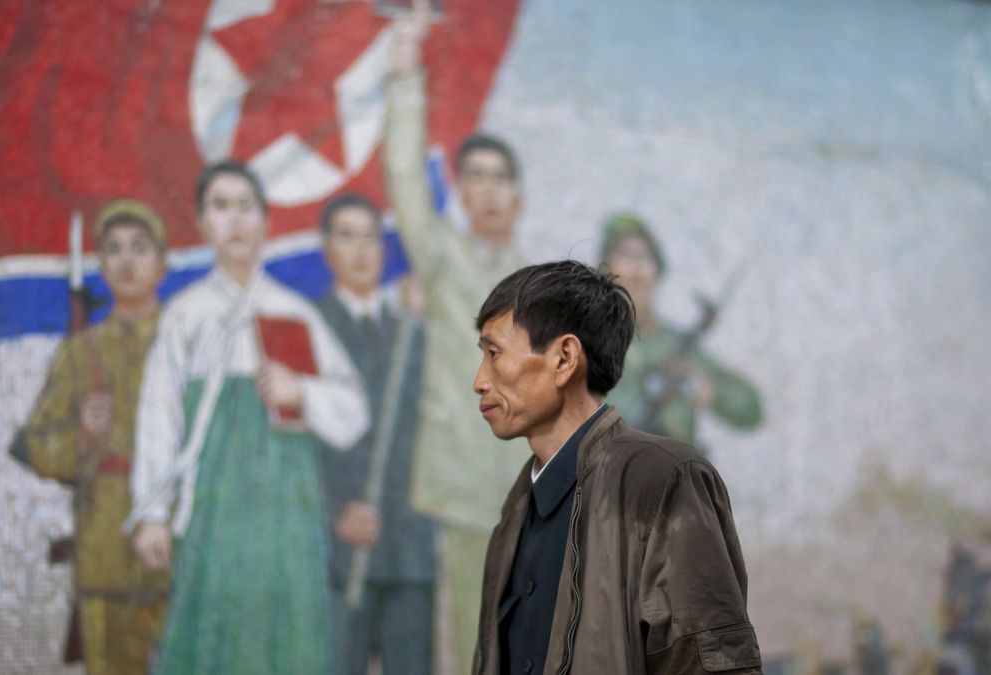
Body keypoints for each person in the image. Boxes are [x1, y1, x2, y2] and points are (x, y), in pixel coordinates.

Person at [127, 160, 369, 674]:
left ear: (265, 221)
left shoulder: (295, 313)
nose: (234, 220)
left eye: (245, 207)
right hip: (216, 512)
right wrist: (151, 513)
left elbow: (353, 413)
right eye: (220, 207)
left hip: (289, 515)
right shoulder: (185, 316)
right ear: (202, 224)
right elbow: (159, 415)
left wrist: (299, 389)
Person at [471, 261, 762, 674]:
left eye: (494, 354)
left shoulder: (666, 479)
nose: (480, 381)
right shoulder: (516, 512)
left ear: (565, 358)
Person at [383, 6, 532, 666]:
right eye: (478, 179)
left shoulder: (544, 285)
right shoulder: (443, 259)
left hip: (536, 485)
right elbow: (402, 178)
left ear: (518, 195)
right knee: (475, 632)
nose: (491, 191)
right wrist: (403, 72)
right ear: (464, 194)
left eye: (503, 179)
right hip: (469, 484)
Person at [10, 199, 170, 675]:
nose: (126, 261)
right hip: (105, 551)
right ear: (100, 264)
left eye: (140, 249)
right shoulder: (82, 352)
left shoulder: (185, 342)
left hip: (182, 552)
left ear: (163, 264)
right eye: (114, 250)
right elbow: (35, 446)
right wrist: (80, 435)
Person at [315, 193, 438, 675]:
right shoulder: (309, 327)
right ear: (327, 250)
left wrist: (430, 322)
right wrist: (332, 513)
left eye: (371, 238)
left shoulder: (413, 332)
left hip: (408, 549)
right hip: (338, 552)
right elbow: (292, 444)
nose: (361, 250)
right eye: (346, 237)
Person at [601, 213, 762, 444]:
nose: (637, 268)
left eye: (646, 257)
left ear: (657, 272)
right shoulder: (586, 339)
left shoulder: (673, 344)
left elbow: (750, 409)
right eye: (626, 254)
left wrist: (711, 390)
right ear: (605, 266)